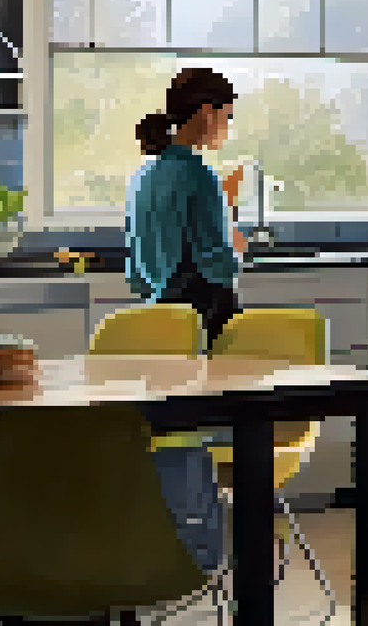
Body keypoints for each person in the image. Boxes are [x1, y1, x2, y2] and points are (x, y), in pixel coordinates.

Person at [124, 67, 248, 574]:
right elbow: (219, 262)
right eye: (227, 117)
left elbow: (136, 268)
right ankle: (208, 549)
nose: (227, 129)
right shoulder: (199, 176)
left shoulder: (143, 176)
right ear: (206, 112)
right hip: (205, 313)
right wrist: (237, 240)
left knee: (170, 431)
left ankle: (169, 537)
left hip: (156, 320)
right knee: (223, 425)